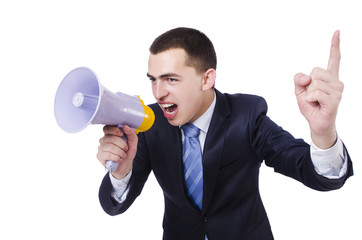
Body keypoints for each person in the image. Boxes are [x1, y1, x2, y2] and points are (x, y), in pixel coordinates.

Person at [97, 27, 353, 239]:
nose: (158, 92)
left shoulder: (247, 115)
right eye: (153, 79)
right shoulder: (149, 123)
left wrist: (323, 131)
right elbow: (114, 206)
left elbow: (315, 173)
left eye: (171, 79)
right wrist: (120, 173)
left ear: (206, 79)